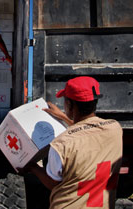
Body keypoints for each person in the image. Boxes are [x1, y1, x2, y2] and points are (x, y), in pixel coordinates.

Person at [21, 76, 123, 208]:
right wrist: (64, 117)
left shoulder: (61, 144)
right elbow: (87, 129)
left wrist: (32, 167)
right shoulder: (114, 128)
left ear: (69, 105)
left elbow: (53, 183)